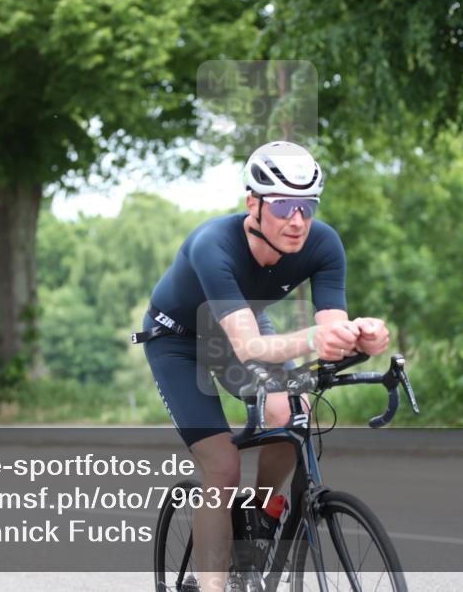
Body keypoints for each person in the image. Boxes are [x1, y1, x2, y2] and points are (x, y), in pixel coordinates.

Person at [134, 141, 390, 592]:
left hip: (243, 324)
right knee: (223, 466)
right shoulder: (214, 244)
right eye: (284, 205)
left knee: (293, 415)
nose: (298, 220)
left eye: (307, 206)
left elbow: (331, 332)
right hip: (179, 340)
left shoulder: (324, 243)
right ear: (252, 203)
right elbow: (249, 344)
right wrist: (314, 338)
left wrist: (362, 340)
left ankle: (260, 516)